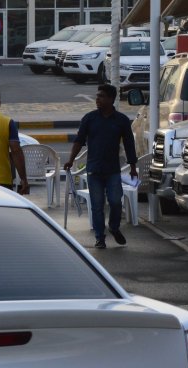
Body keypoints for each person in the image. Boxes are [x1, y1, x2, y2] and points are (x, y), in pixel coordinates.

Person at [63, 83, 139, 249]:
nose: (97, 99)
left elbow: (129, 144)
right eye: (97, 96)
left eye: (101, 96)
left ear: (111, 99)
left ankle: (114, 227)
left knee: (115, 202)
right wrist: (70, 160)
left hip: (112, 170)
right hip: (94, 170)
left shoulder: (121, 120)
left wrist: (133, 166)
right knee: (97, 205)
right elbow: (79, 141)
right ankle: (100, 237)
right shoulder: (89, 118)